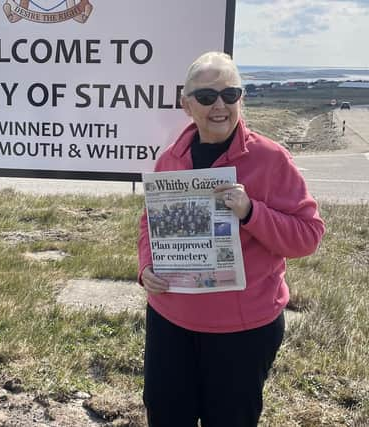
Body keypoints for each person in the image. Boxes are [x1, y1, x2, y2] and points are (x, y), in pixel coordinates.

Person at [137, 52, 325, 427]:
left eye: (231, 94)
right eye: (206, 96)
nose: (219, 105)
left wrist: (251, 212)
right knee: (165, 413)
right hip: (171, 318)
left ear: (242, 99)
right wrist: (146, 267)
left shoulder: (272, 159)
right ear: (186, 104)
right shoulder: (170, 159)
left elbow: (308, 236)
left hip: (243, 330)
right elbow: (149, 222)